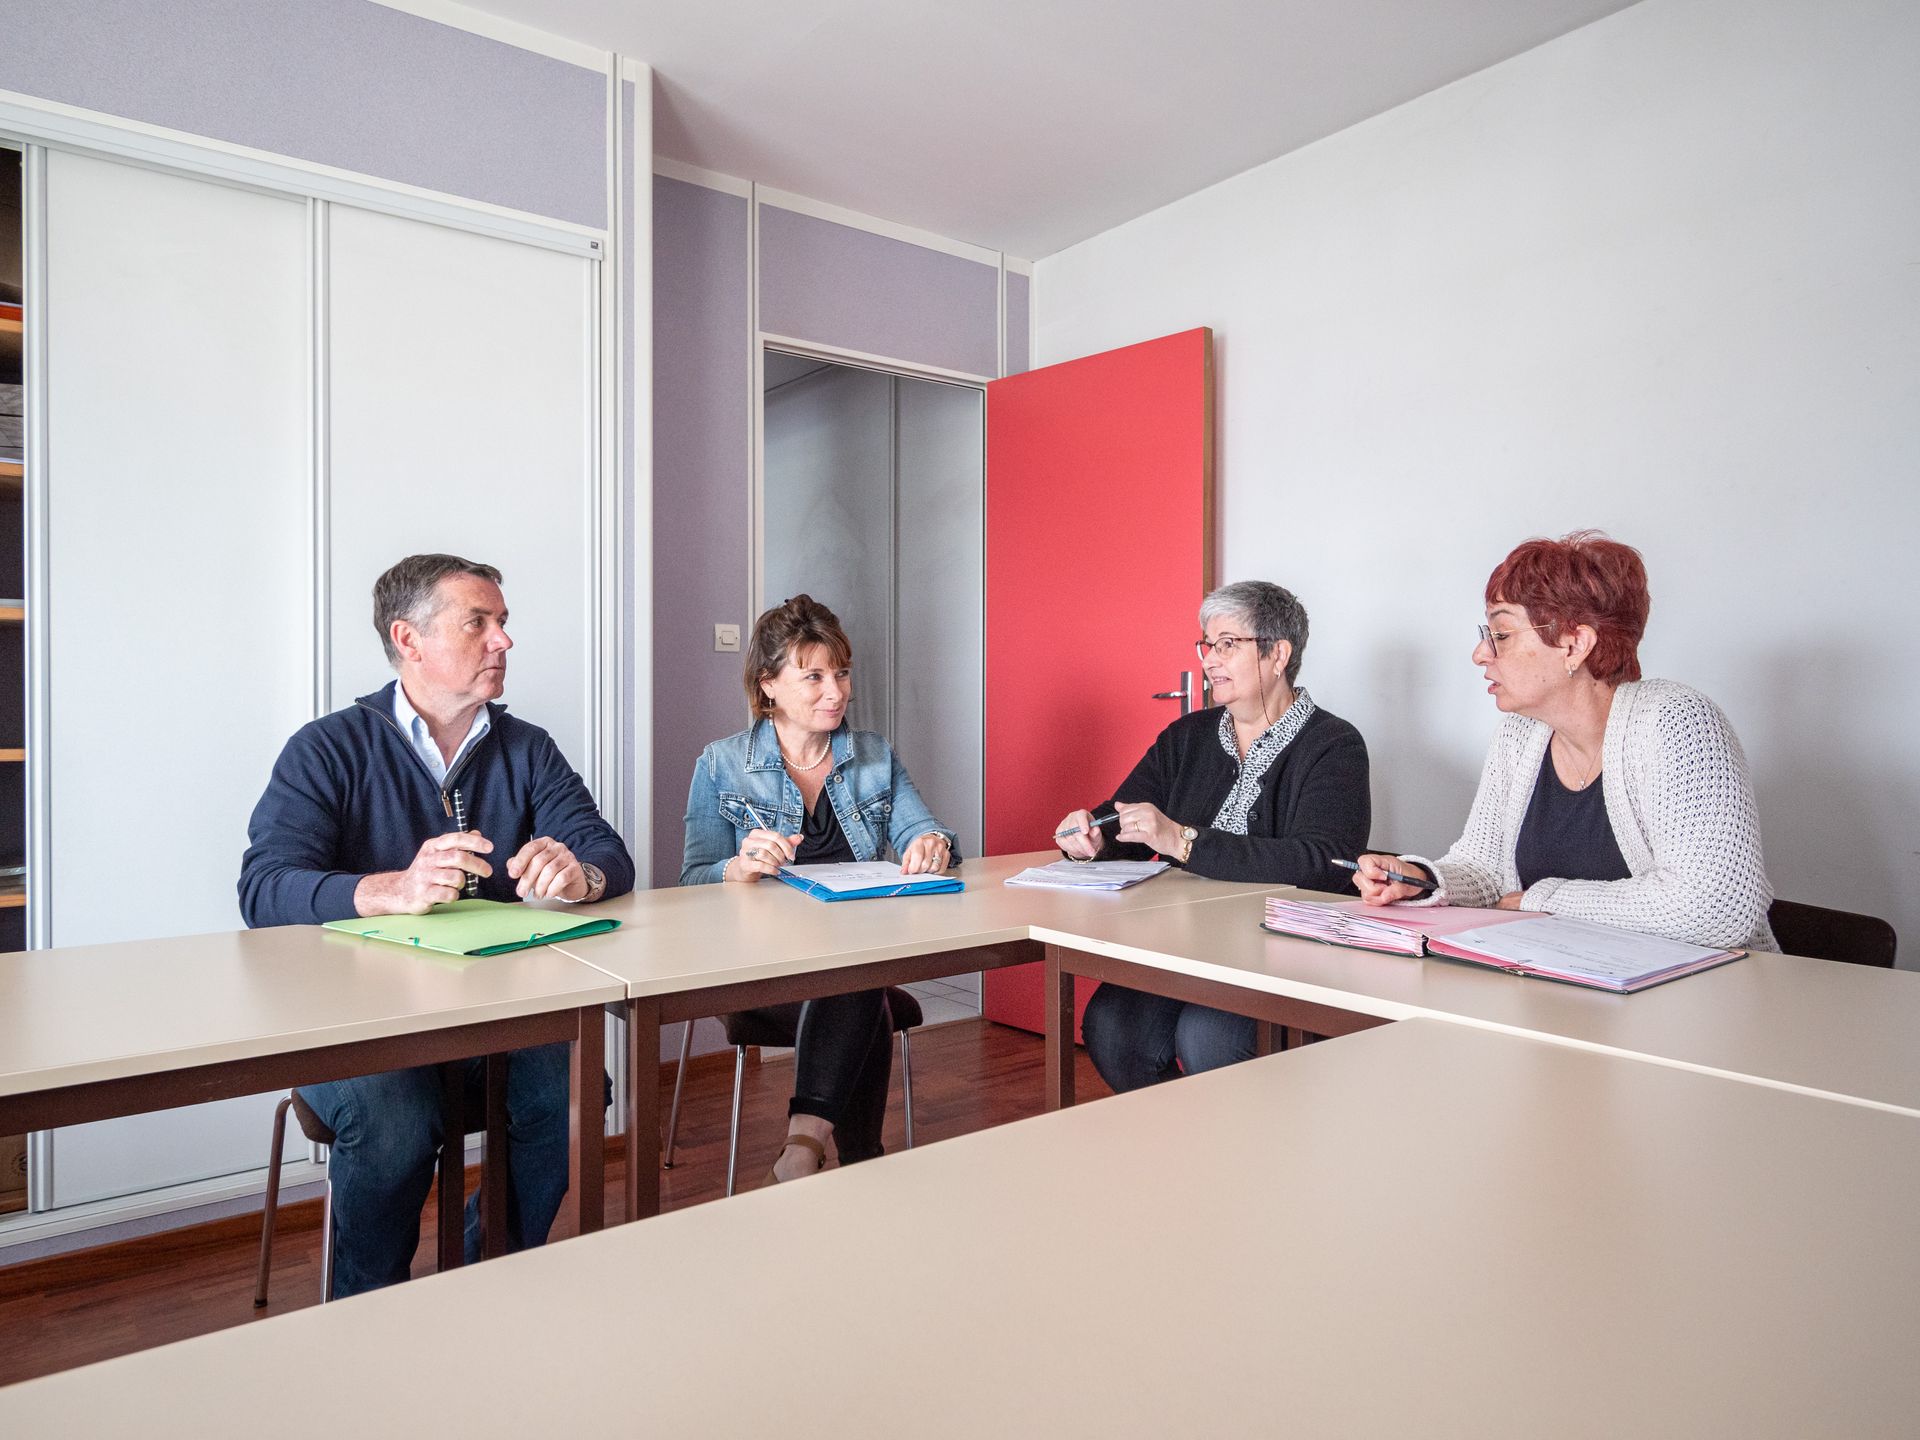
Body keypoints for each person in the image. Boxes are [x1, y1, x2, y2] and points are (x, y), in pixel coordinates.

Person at [238, 553, 634, 1296]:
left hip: (492, 1015)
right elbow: (264, 889)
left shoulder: (527, 748)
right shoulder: (327, 748)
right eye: (478, 622)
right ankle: (369, 1310)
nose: (503, 640)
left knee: (569, 1089)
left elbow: (608, 853)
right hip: (352, 1023)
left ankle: (487, 1279)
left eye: (502, 622)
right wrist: (388, 889)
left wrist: (581, 874)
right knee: (393, 1119)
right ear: (408, 639)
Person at [1350, 531, 1774, 951]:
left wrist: (1542, 901)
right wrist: (1419, 880)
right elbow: (1486, 873)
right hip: (1570, 979)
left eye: (1501, 634)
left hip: (1707, 988)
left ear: (1575, 645)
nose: (1480, 654)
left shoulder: (1675, 720)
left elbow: (1718, 908)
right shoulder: (1519, 734)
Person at [1052, 580, 1370, 1092]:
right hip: (1183, 940)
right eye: (1206, 645)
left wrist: (1183, 841)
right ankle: (1179, 1136)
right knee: (1112, 1027)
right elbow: (1125, 818)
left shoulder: (1334, 745)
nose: (1209, 660)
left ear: (1278, 654)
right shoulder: (1187, 737)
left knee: (1209, 1037)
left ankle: (1238, 1141)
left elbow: (1323, 862)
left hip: (1277, 950)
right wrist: (1089, 837)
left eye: (1227, 644)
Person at [682, 594, 958, 1183]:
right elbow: (691, 879)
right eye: (814, 677)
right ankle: (858, 1168)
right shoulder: (721, 764)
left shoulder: (874, 756)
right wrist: (739, 867)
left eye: (842, 673)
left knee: (855, 975)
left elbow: (924, 829)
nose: (837, 692)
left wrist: (931, 843)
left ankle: (802, 1152)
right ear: (769, 685)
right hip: (759, 969)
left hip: (852, 965)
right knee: (863, 985)